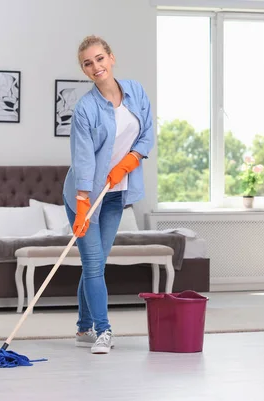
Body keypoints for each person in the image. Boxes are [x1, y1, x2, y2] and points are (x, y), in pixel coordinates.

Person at [62, 35, 154, 354]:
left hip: (116, 194)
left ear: (111, 58)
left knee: (96, 264)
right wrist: (83, 202)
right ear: (84, 70)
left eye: (100, 58)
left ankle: (83, 328)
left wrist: (130, 161)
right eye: (88, 63)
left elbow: (147, 134)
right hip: (85, 195)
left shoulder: (136, 92)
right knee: (93, 262)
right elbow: (84, 158)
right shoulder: (86, 109)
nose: (96, 66)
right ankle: (103, 331)